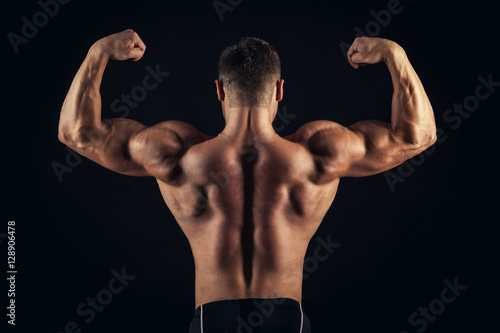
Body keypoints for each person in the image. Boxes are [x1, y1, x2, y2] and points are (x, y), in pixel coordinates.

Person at [58, 29, 436, 333]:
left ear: (220, 90)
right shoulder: (318, 153)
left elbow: (77, 132)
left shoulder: (178, 154)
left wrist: (98, 52)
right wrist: (394, 54)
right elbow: (417, 136)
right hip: (288, 318)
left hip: (212, 320)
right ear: (280, 90)